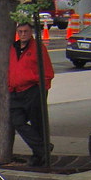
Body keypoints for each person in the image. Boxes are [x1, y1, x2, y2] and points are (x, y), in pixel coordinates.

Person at [8, 21, 55, 167]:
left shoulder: (38, 48)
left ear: (31, 32)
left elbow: (47, 72)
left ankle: (39, 156)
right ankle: (43, 148)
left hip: (33, 90)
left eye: (26, 31)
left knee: (37, 124)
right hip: (16, 91)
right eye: (20, 31)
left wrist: (42, 90)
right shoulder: (13, 48)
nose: (23, 34)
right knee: (17, 121)